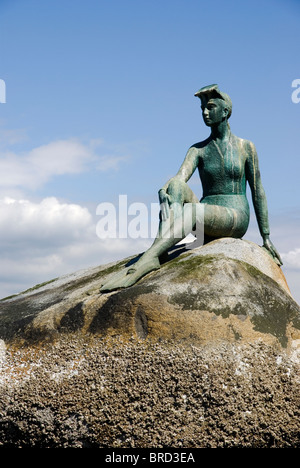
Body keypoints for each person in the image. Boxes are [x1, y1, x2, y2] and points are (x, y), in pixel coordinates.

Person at [101, 84, 282, 292]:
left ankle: (149, 257)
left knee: (192, 211)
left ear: (226, 111)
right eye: (203, 108)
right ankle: (160, 251)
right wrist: (165, 191)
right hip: (205, 217)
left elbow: (257, 190)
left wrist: (265, 237)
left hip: (235, 217)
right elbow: (179, 178)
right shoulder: (198, 149)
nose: (205, 112)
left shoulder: (245, 147)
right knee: (176, 186)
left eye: (211, 107)